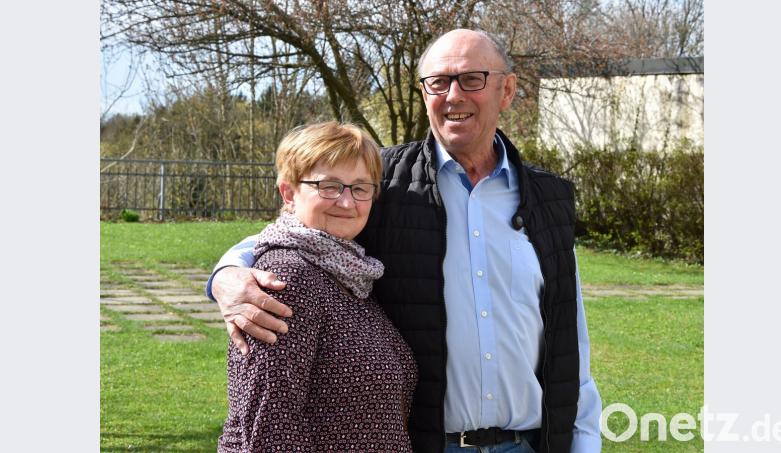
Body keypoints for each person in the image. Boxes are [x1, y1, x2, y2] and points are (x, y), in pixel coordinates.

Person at [210, 29, 602, 453]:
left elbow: (570, 339)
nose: (453, 95)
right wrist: (227, 274)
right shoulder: (386, 183)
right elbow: (305, 230)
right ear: (423, 93)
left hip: (528, 444)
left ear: (506, 90)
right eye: (438, 82)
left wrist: (583, 441)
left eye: (472, 79)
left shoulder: (550, 200)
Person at [217, 122, 418, 451]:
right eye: (329, 186)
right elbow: (268, 424)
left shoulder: (349, 273)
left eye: (360, 188)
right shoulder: (285, 277)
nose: (346, 202)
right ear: (289, 193)